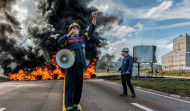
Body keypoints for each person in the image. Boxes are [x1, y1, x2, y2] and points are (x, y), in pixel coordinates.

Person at [58, 12, 97, 111]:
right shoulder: (67, 41)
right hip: (71, 68)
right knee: (70, 87)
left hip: (80, 67)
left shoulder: (82, 39)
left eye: (77, 28)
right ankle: (69, 106)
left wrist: (94, 18)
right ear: (70, 30)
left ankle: (75, 105)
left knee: (78, 88)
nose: (76, 29)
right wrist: (69, 34)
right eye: (73, 28)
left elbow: (91, 30)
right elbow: (60, 42)